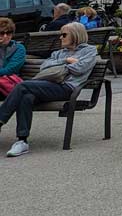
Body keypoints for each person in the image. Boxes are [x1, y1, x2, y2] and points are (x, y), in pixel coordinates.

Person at [0, 22, 98, 157]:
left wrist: (62, 64)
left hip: (66, 88)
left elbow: (80, 68)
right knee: (26, 97)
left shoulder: (89, 50)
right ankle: (22, 141)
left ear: (75, 35)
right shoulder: (58, 53)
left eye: (64, 35)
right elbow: (44, 68)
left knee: (22, 86)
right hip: (46, 85)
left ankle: (1, 119)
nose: (60, 38)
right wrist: (67, 61)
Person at [0, 18, 25, 98]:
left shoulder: (19, 48)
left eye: (9, 33)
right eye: (1, 33)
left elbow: (10, 70)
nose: (5, 36)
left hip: (8, 84)